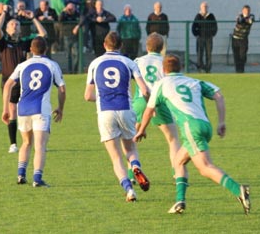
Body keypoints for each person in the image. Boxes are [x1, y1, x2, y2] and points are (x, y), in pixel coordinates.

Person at [134, 54, 250, 215]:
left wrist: (141, 130)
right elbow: (218, 95)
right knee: (179, 161)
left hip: (190, 127)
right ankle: (179, 201)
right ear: (180, 67)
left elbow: (149, 110)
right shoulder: (193, 81)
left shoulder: (161, 84)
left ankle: (238, 189)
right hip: (205, 125)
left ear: (163, 69)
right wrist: (221, 122)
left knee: (205, 167)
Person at [84, 31, 151, 202]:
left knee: (115, 157)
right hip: (126, 109)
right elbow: (144, 90)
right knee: (130, 150)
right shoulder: (128, 62)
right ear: (121, 46)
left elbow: (87, 96)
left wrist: (102, 98)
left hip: (105, 112)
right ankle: (135, 167)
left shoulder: (95, 63)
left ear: (104, 45)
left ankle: (129, 189)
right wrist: (151, 106)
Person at [2, 36, 66, 187]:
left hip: (23, 108)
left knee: (26, 142)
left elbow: (7, 85)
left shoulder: (22, 65)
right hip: (41, 110)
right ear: (46, 49)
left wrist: (5, 109)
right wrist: (60, 108)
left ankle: (21, 175)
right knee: (40, 145)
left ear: (31, 49)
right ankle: (37, 178)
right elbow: (62, 89)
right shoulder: (52, 65)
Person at [0, 4, 47, 153]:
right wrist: (4, 12)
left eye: (17, 24)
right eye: (12, 24)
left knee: (29, 111)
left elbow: (42, 34)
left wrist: (33, 18)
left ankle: (34, 142)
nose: (15, 26)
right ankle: (13, 144)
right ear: (8, 29)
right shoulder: (4, 43)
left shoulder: (25, 42)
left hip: (25, 82)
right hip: (9, 82)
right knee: (12, 110)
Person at [133, 33, 180, 182]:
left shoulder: (137, 61)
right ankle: (176, 172)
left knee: (131, 140)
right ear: (161, 48)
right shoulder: (165, 62)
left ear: (147, 47)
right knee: (172, 139)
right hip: (160, 101)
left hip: (140, 101)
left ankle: (132, 175)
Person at [192, 1, 218, 73]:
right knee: (200, 53)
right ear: (200, 8)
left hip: (209, 37)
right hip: (200, 37)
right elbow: (194, 26)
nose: (205, 8)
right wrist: (196, 34)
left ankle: (208, 68)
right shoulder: (198, 16)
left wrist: (212, 34)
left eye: (206, 7)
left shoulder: (211, 16)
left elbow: (215, 26)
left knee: (208, 53)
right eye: (203, 7)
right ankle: (200, 67)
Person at [231, 5, 255, 73]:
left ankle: (242, 69)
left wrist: (244, 19)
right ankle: (237, 70)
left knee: (243, 55)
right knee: (236, 56)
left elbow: (250, 21)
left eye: (248, 11)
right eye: (245, 11)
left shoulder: (251, 16)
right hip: (235, 38)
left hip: (243, 39)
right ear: (243, 11)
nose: (247, 12)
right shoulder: (240, 16)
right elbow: (240, 21)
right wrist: (242, 19)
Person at [59, 2, 80, 74]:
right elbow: (60, 20)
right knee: (68, 55)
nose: (70, 10)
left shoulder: (77, 14)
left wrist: (77, 26)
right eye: (69, 8)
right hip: (66, 36)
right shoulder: (64, 14)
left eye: (72, 8)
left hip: (75, 37)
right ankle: (70, 71)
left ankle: (75, 71)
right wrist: (63, 11)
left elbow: (83, 19)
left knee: (76, 54)